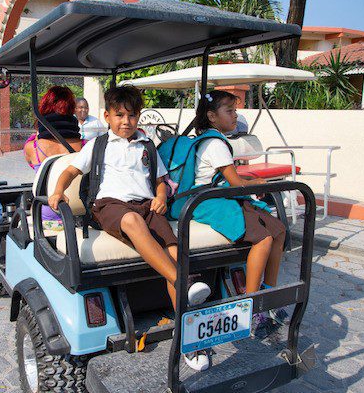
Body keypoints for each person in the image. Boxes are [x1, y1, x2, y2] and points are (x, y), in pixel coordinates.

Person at [49, 86, 212, 371]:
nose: (126, 121)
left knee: (173, 251)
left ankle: (189, 339)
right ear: (107, 116)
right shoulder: (97, 145)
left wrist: (161, 197)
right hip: (110, 206)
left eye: (132, 115)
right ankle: (185, 283)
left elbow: (160, 180)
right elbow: (70, 171)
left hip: (146, 206)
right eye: (120, 115)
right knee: (132, 221)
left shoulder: (146, 145)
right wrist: (58, 191)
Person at [192, 90, 287, 337]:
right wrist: (259, 185)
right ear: (212, 116)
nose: (235, 116)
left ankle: (269, 291)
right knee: (263, 237)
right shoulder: (214, 143)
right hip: (209, 201)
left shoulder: (217, 140)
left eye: (235, 111)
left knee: (278, 230)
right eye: (230, 111)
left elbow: (230, 178)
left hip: (219, 194)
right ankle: (252, 304)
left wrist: (253, 181)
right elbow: (235, 183)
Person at [24, 86, 82, 230]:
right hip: (78, 217)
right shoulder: (84, 146)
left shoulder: (32, 147)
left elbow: (33, 165)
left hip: (46, 218)